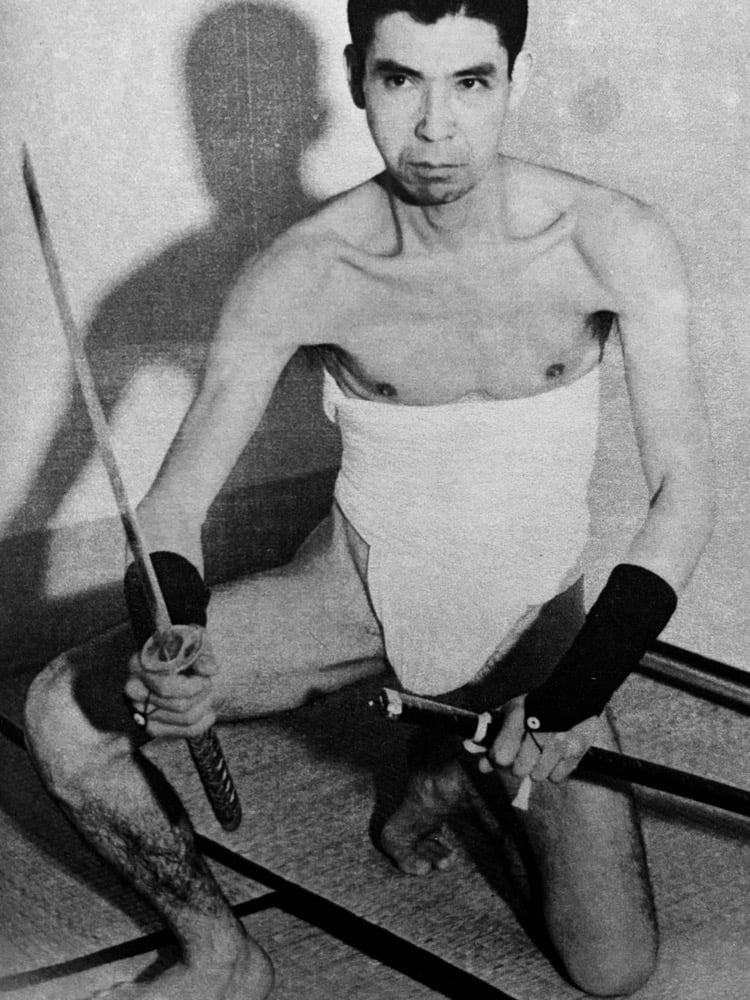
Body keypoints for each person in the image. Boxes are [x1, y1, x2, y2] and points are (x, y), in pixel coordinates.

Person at [24, 2, 715, 998]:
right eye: (401, 80)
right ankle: (221, 955)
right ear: (355, 80)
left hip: (532, 638)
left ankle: (447, 767)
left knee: (613, 969)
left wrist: (575, 696)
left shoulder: (613, 239)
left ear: (514, 77)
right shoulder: (304, 268)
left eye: (469, 82)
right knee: (60, 713)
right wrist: (174, 636)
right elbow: (173, 506)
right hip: (352, 597)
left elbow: (685, 490)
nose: (435, 127)